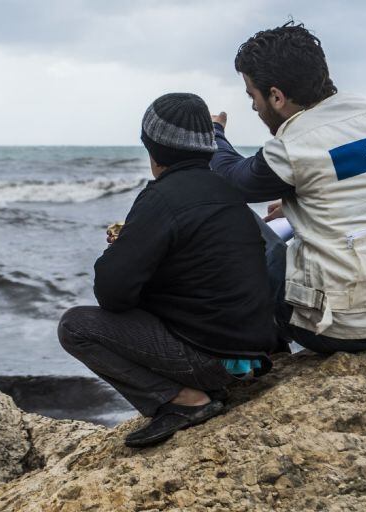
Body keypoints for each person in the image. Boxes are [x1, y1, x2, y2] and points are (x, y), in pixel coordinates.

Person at [58, 93, 280, 447]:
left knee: (76, 326)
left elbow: (112, 294)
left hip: (212, 363)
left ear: (152, 148)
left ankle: (185, 401)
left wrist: (122, 249)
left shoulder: (161, 198)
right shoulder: (229, 192)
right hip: (256, 354)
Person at [210, 21, 366, 354]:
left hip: (339, 328)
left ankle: (251, 355)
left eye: (253, 96)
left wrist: (214, 134)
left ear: (276, 96)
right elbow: (356, 186)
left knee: (227, 218)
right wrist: (297, 207)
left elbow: (232, 179)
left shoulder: (294, 145)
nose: (254, 107)